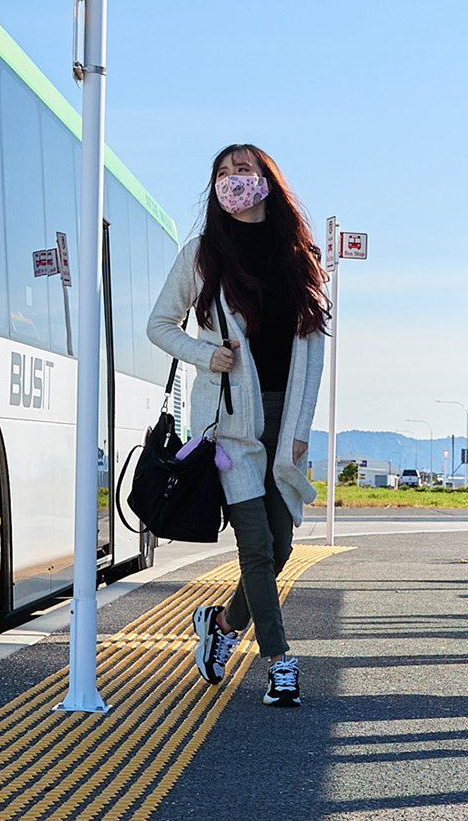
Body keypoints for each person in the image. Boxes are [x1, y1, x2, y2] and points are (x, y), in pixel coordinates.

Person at [148, 143, 328, 708]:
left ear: (266, 182)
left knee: (279, 546)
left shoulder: (300, 256)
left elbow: (314, 348)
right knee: (255, 545)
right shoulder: (202, 255)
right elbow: (159, 324)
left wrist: (300, 426)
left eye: (243, 171)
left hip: (284, 419)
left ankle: (221, 624)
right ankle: (279, 662)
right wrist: (206, 355)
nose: (232, 181)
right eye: (222, 174)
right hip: (229, 422)